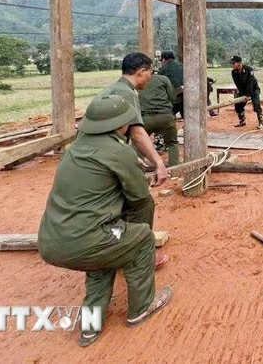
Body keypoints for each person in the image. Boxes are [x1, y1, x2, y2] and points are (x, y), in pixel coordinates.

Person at [38, 95, 174, 347]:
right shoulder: (118, 150)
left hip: (51, 240)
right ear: (122, 125)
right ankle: (142, 308)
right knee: (141, 236)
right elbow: (139, 197)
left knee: (103, 256)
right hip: (86, 239)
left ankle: (90, 327)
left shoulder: (74, 150)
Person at [96, 53, 167, 185]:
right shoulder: (127, 93)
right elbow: (137, 134)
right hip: (104, 159)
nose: (150, 78)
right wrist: (159, 163)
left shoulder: (112, 90)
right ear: (141, 72)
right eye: (150, 73)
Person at [138, 72, 179, 167]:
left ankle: (139, 169)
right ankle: (174, 168)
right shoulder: (163, 79)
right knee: (172, 143)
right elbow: (173, 97)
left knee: (139, 143)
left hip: (145, 118)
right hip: (165, 116)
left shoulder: (137, 81)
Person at [231, 55, 263, 129]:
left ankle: (261, 122)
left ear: (239, 63)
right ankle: (242, 121)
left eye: (233, 63)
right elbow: (237, 84)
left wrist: (248, 95)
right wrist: (243, 94)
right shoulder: (233, 72)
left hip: (253, 89)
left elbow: (250, 82)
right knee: (238, 105)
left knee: (256, 105)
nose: (232, 65)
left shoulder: (249, 69)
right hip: (243, 91)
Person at [158, 52, 184, 119]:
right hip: (187, 96)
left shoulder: (163, 70)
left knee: (167, 117)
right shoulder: (182, 66)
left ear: (163, 60)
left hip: (174, 98)